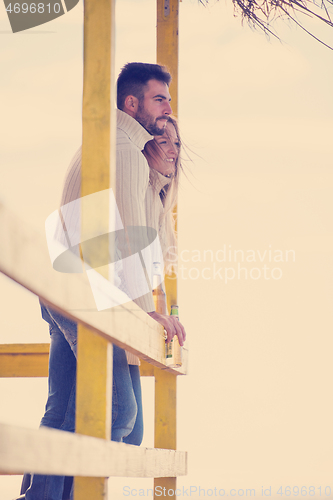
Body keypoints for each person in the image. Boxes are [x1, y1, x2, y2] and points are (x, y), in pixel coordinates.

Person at [17, 63, 186, 500]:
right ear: (132, 104)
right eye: (159, 99)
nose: (168, 107)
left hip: (79, 288)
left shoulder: (128, 153)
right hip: (86, 290)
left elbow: (158, 250)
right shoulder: (123, 149)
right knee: (115, 417)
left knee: (76, 415)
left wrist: (164, 181)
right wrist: (145, 312)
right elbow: (131, 239)